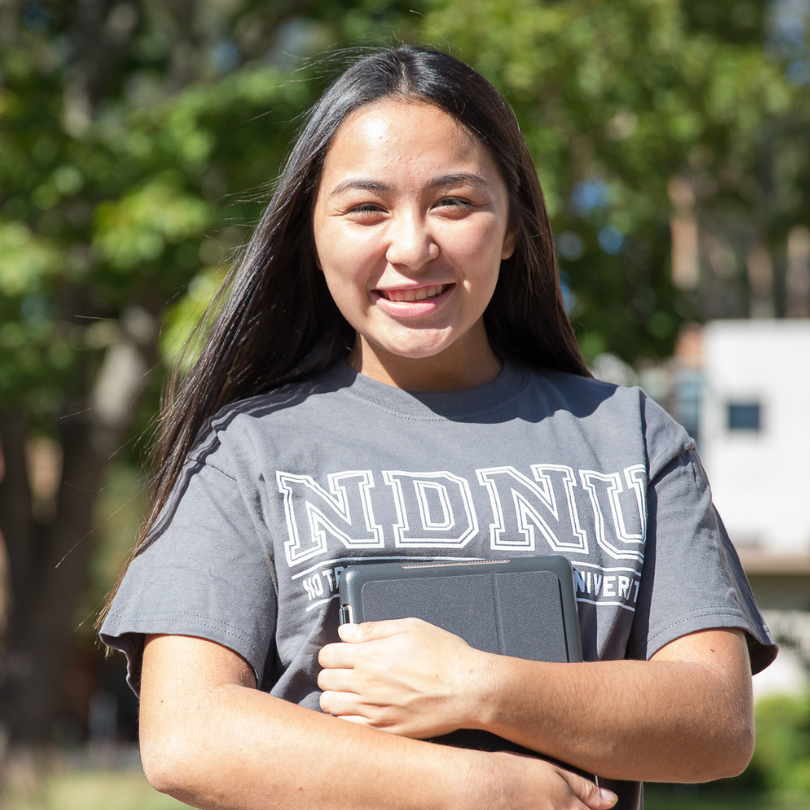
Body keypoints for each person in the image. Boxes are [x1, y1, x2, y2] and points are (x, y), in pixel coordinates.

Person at [99, 45, 776, 810]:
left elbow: (718, 722)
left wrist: (478, 686)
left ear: (514, 226)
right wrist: (479, 786)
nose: (412, 246)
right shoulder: (245, 452)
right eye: (366, 208)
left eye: (454, 203)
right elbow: (185, 734)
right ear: (310, 232)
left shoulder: (631, 440)